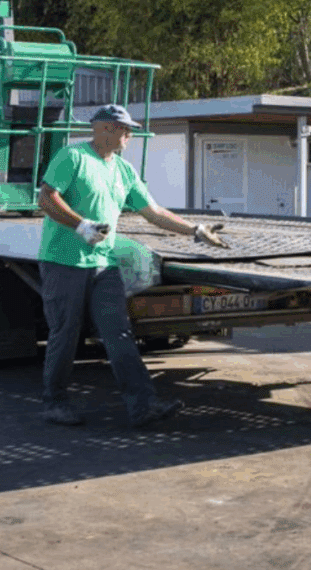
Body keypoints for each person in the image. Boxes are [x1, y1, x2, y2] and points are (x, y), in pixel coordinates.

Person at [36, 104, 228, 428]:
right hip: (64, 262)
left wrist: (195, 230)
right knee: (65, 333)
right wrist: (81, 225)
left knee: (120, 333)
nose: (129, 135)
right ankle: (54, 403)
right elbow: (46, 198)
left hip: (104, 264)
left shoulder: (123, 170)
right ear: (103, 128)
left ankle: (143, 405)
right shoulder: (73, 158)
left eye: (129, 130)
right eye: (124, 129)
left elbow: (153, 211)